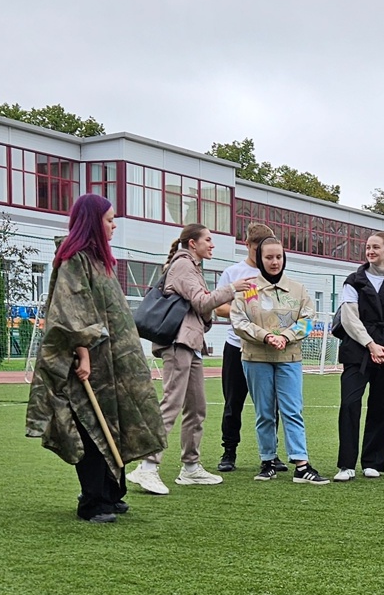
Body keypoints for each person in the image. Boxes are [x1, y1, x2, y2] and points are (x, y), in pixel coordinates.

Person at [26, 194, 164, 523]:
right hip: (88, 364)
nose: (114, 225)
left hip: (113, 364)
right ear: (92, 221)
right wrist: (83, 355)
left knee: (115, 423)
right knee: (92, 428)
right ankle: (92, 501)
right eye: (109, 219)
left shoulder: (100, 260)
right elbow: (73, 311)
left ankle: (111, 492)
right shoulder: (74, 258)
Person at [128, 224, 254, 495]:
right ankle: (147, 467)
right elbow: (200, 302)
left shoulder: (193, 266)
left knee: (196, 408)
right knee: (171, 404)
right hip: (177, 343)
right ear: (192, 243)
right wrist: (232, 289)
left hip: (191, 343)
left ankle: (191, 467)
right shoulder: (183, 265)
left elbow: (201, 307)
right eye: (208, 239)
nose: (212, 244)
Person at [230, 237, 328, 484]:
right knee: (265, 412)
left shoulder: (298, 289)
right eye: (269, 257)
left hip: (289, 358)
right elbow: (239, 321)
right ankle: (268, 460)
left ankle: (301, 464)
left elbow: (308, 319)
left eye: (279, 257)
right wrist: (265, 337)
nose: (274, 262)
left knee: (292, 410)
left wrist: (285, 336)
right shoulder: (249, 288)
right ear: (260, 259)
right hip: (256, 358)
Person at [333, 232, 384, 481]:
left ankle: (373, 462)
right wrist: (370, 345)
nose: (370, 251)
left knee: (382, 407)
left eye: (376, 247)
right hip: (357, 350)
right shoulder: (353, 281)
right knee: (349, 404)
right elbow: (349, 317)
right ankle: (346, 465)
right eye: (368, 247)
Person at [214, 223, 275, 473]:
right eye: (258, 249)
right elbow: (219, 307)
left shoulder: (274, 272)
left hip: (266, 348)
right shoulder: (233, 273)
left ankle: (271, 455)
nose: (265, 256)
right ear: (248, 245)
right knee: (233, 403)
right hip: (237, 346)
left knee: (270, 405)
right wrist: (248, 313)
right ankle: (229, 452)